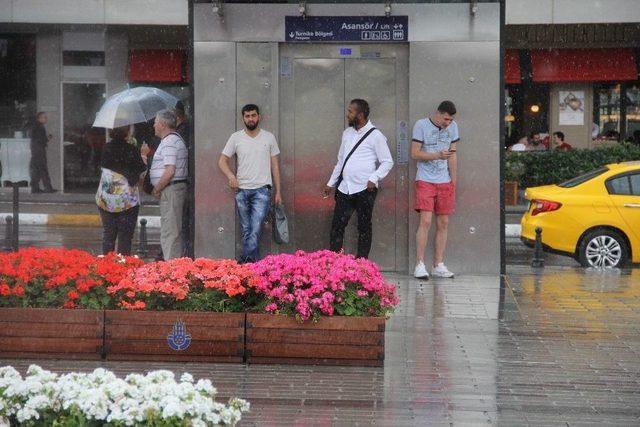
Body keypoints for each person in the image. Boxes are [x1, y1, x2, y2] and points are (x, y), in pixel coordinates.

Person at [323, 99, 393, 259]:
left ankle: (362, 263)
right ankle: (335, 262)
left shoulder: (376, 135)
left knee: (364, 227)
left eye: (350, 112)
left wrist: (374, 178)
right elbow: (341, 160)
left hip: (365, 190)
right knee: (337, 226)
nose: (347, 115)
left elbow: (387, 161)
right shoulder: (347, 134)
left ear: (360, 115)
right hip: (344, 188)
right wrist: (330, 183)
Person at [218, 104, 282, 263]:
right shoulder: (236, 137)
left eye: (253, 115)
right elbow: (222, 161)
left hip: (262, 191)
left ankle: (244, 264)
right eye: (247, 116)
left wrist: (278, 191)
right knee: (248, 231)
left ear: (259, 116)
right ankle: (254, 269)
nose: (251, 119)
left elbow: (275, 166)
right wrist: (230, 176)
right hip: (242, 190)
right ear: (243, 118)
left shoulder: (269, 137)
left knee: (254, 231)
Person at [411, 100, 459, 279]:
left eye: (451, 120)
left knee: (443, 223)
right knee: (425, 221)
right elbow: (415, 153)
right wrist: (437, 155)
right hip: (425, 179)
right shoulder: (421, 125)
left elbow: (453, 155)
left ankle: (438, 264)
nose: (448, 123)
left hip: (444, 181)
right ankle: (419, 263)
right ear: (438, 113)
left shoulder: (453, 127)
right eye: (446, 119)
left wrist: (453, 182)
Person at [95, 126, 147, 255]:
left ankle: (108, 264)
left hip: (107, 198)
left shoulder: (106, 148)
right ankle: (123, 264)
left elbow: (101, 166)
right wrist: (144, 155)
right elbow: (139, 170)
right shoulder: (131, 150)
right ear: (127, 133)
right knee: (125, 235)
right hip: (127, 200)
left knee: (109, 233)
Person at [145, 109, 188, 260]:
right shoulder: (170, 140)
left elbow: (170, 170)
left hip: (171, 190)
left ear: (163, 124)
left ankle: (171, 270)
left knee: (170, 232)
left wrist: (157, 188)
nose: (154, 126)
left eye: (155, 122)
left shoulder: (169, 142)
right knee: (170, 230)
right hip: (171, 189)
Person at [175, 101, 192, 257]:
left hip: (183, 181)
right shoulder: (183, 130)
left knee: (179, 223)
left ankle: (184, 254)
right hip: (186, 180)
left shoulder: (181, 132)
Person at [29, 112, 56, 193]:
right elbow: (40, 139)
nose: (46, 119)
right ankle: (46, 188)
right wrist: (47, 139)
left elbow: (36, 138)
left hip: (36, 151)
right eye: (44, 117)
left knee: (37, 170)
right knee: (42, 169)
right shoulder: (39, 127)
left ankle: (36, 188)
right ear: (39, 118)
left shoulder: (35, 126)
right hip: (39, 151)